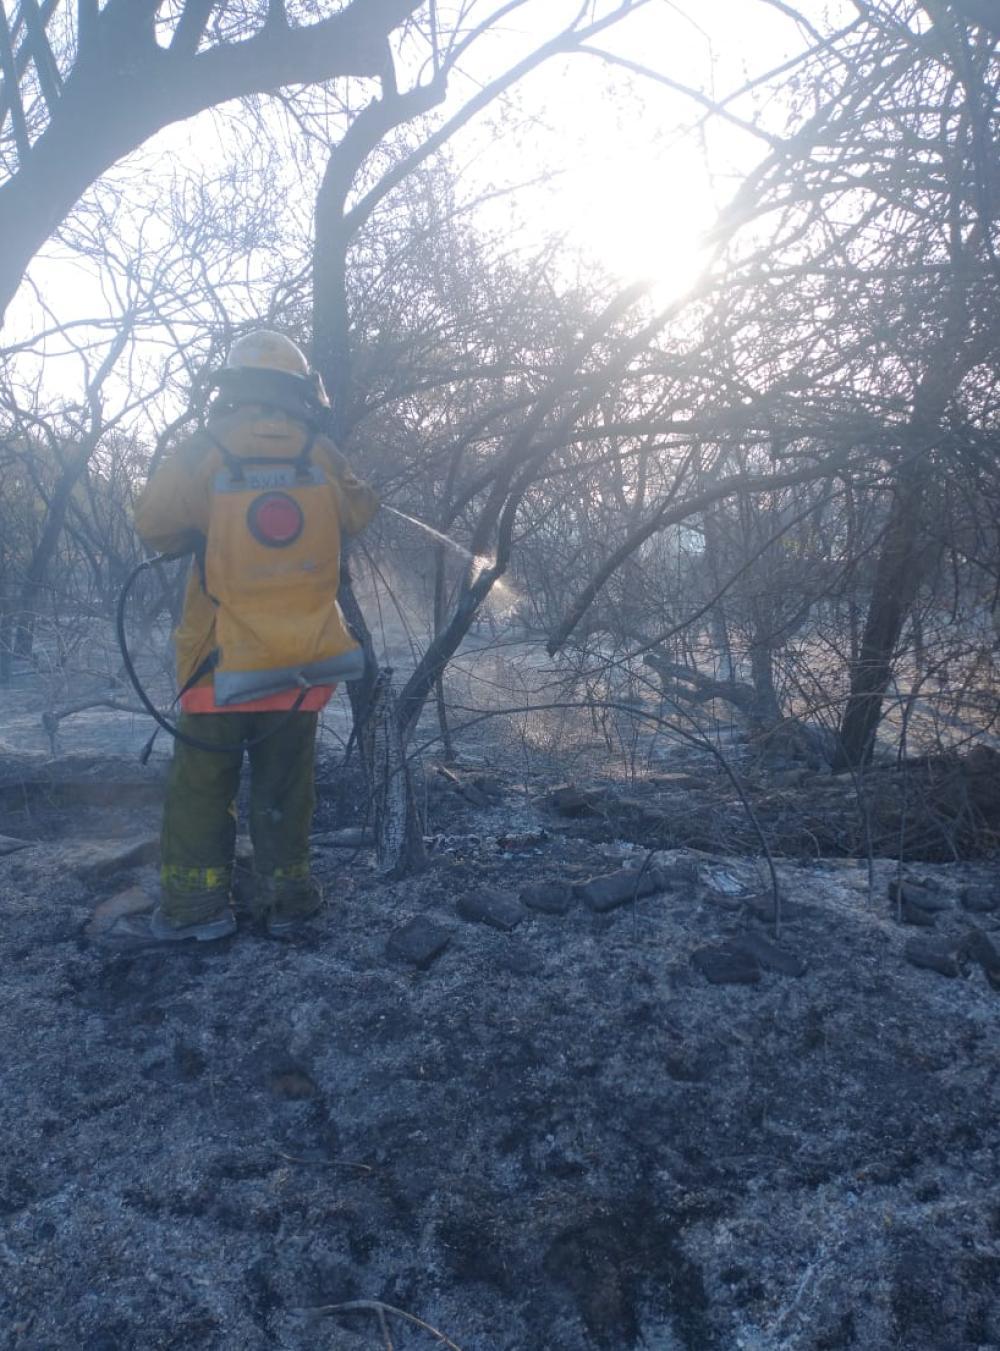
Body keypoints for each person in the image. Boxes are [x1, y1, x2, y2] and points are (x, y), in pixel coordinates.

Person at [132, 330, 378, 942]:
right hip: (301, 660)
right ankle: (287, 901)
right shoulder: (318, 451)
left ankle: (196, 911)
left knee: (201, 786)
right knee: (286, 786)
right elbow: (359, 512)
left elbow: (154, 526)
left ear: (232, 386)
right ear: (298, 389)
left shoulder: (206, 447)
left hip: (217, 659)